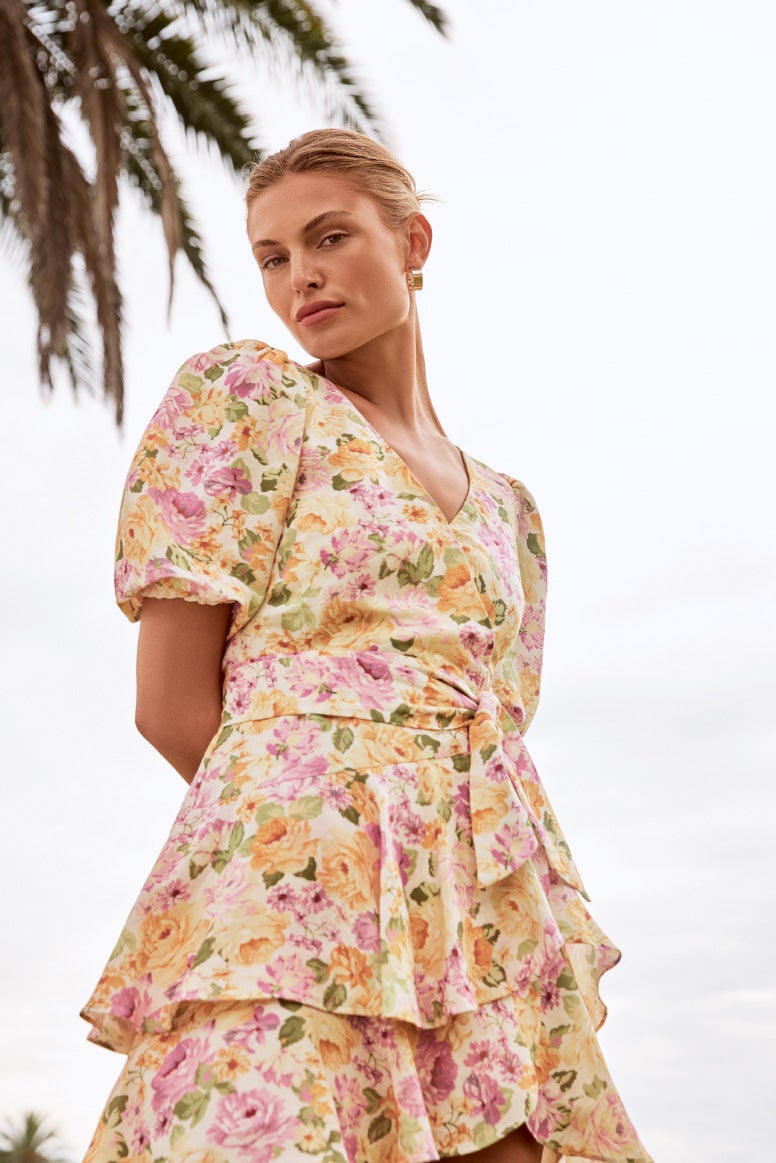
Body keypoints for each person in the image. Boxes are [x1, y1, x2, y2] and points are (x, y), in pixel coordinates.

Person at [80, 129, 652, 1163]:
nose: (300, 274)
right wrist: (322, 852)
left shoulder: (509, 511)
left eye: (329, 236)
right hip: (292, 884)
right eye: (271, 256)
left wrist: (432, 886)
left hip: (479, 897)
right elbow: (168, 703)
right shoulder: (249, 399)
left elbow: (495, 726)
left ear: (412, 239)